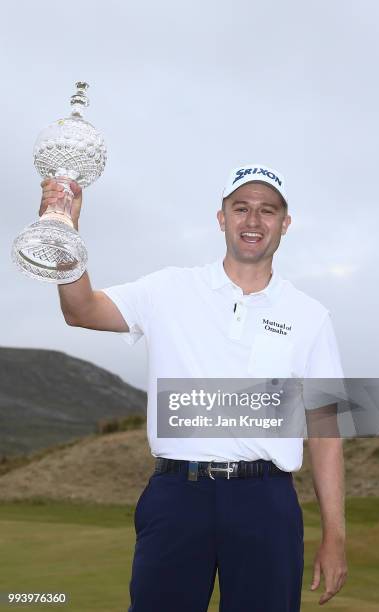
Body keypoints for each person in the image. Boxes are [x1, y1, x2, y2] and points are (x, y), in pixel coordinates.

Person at [40, 163, 348, 612]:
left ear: (285, 223)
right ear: (222, 218)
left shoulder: (310, 316)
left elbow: (326, 432)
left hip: (266, 500)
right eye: (240, 208)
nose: (253, 221)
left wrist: (336, 536)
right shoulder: (168, 288)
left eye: (267, 211)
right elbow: (80, 309)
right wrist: (65, 232)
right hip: (178, 495)